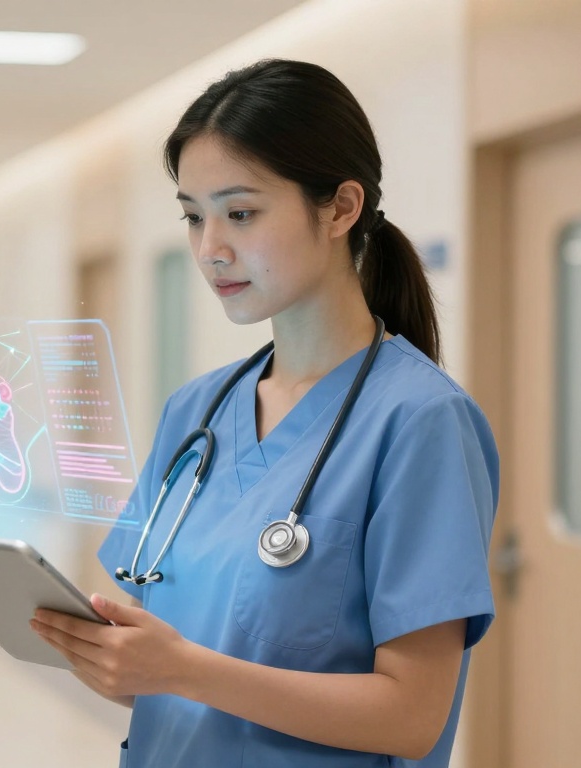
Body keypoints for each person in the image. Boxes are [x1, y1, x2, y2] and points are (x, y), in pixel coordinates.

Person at [28, 59, 499, 767]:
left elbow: (413, 717)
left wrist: (183, 670)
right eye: (194, 217)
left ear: (340, 208)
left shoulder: (419, 421)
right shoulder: (196, 413)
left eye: (240, 214)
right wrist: (79, 642)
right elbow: (163, 675)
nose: (210, 250)